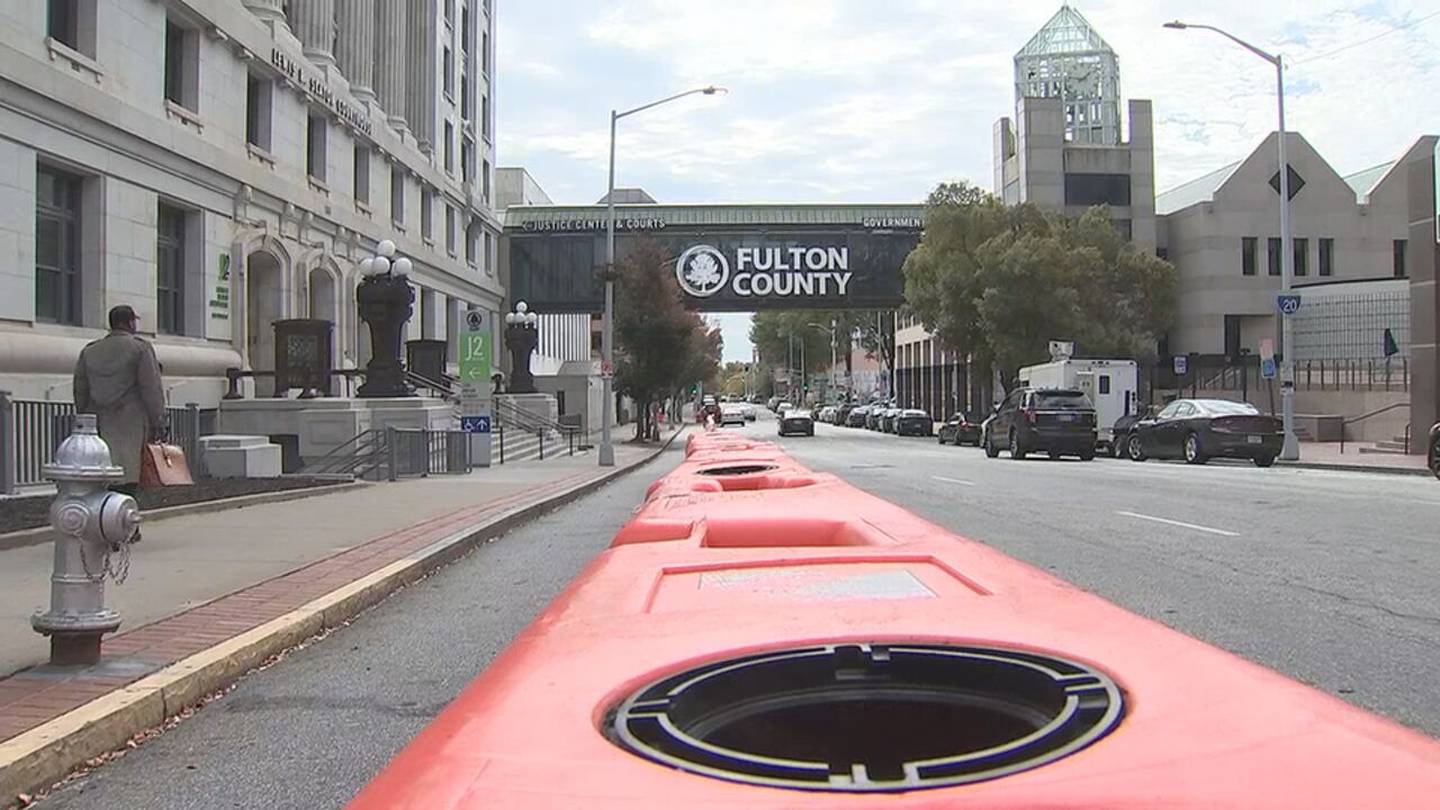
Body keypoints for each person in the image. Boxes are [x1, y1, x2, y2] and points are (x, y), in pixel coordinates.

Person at [73, 305, 167, 496]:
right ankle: (125, 520)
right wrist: (158, 421)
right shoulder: (140, 348)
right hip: (131, 420)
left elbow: (80, 388)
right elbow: (151, 388)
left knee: (103, 474)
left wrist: (84, 416)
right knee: (128, 475)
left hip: (99, 420)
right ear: (129, 322)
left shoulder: (90, 351)